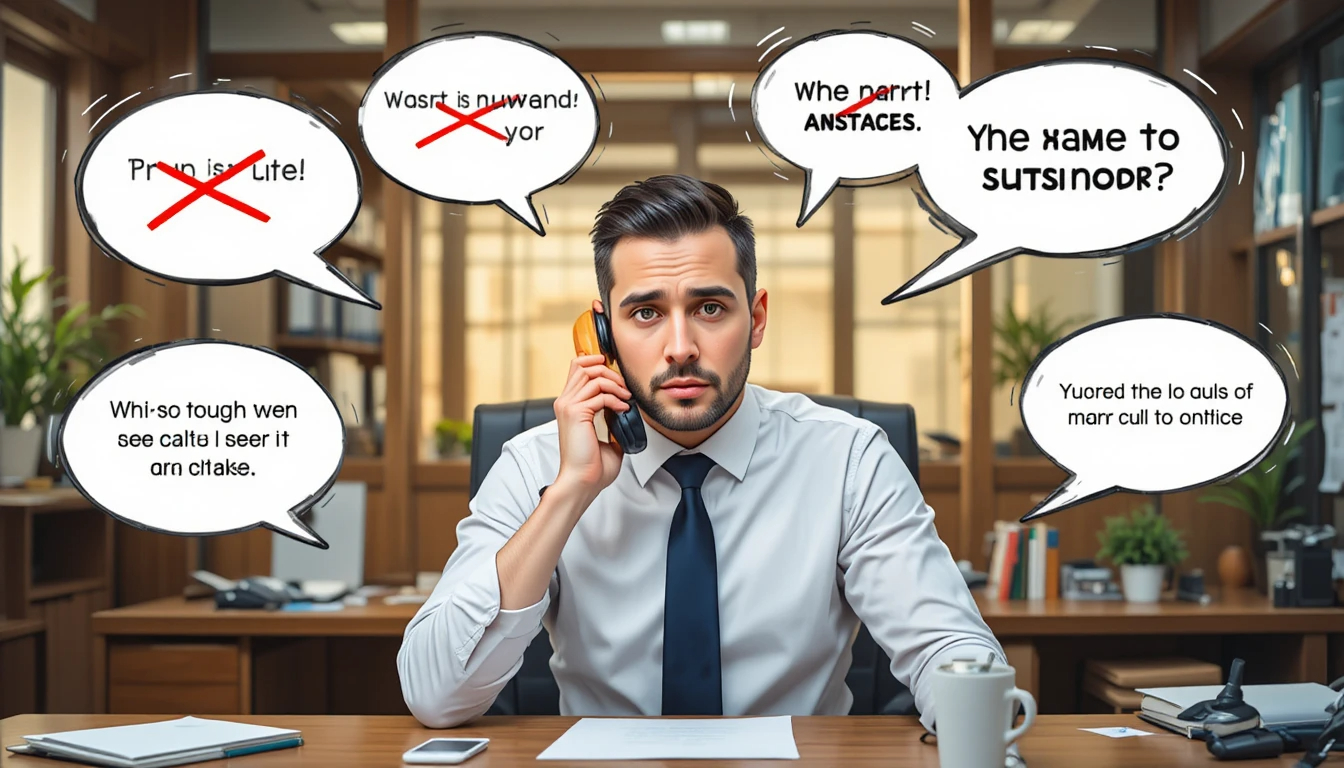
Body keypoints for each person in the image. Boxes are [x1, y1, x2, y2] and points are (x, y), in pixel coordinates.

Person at [398, 174, 1004, 732]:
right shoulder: (535, 465)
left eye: (709, 308)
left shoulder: (848, 458)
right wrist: (570, 492)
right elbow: (435, 694)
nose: (680, 347)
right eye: (645, 313)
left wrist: (971, 715)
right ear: (601, 333)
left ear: (757, 317)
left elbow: (948, 648)